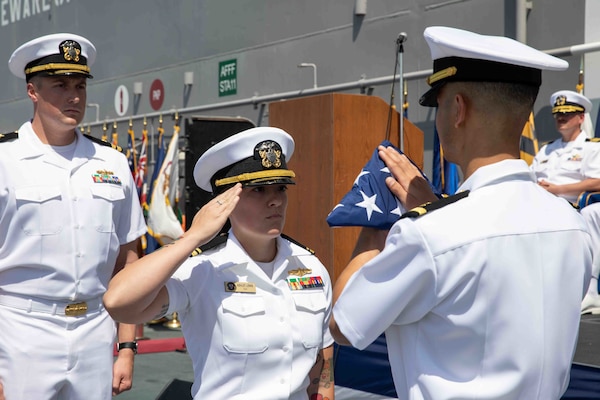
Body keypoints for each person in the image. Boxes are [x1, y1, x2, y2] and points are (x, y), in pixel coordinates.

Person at [329, 26, 592, 399]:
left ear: (457, 109)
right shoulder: (573, 224)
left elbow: (343, 323)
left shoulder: (429, 233)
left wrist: (380, 224)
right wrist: (432, 211)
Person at [103, 127, 335, 400]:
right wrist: (192, 238)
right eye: (259, 190)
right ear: (225, 202)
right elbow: (118, 302)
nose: (275, 201)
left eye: (281, 188)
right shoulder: (201, 269)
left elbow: (322, 375)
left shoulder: (311, 267)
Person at [0, 33, 146, 399]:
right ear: (32, 91)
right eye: (60, 85)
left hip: (95, 331)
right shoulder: (5, 161)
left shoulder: (111, 162)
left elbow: (129, 261)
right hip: (20, 332)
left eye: (80, 85)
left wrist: (126, 348)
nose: (74, 96)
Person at [531, 90, 600, 314]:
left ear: (581, 118)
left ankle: (589, 292)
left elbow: (597, 182)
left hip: (574, 206)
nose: (561, 119)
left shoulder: (592, 147)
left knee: (592, 214)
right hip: (541, 205)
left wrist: (559, 190)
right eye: (558, 114)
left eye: (567, 114)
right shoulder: (546, 149)